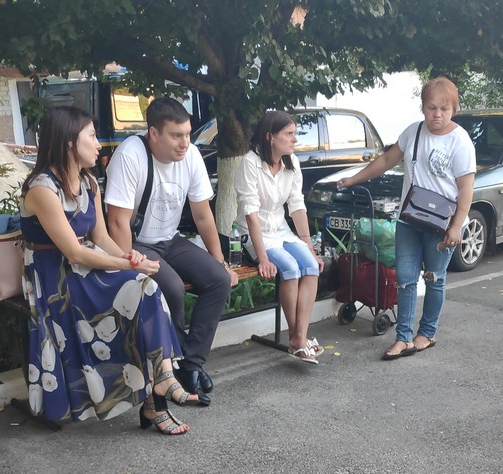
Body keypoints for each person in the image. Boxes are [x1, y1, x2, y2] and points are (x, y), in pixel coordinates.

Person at [19, 106, 198, 435]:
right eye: (91, 136)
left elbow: (101, 238)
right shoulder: (42, 189)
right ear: (70, 142)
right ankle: (159, 392)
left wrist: (132, 260)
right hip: (55, 278)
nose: (98, 143)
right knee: (140, 288)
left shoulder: (88, 182)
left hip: (85, 268)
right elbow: (74, 252)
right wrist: (128, 264)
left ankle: (160, 385)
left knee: (146, 286)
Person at [105, 97, 238, 404]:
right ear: (154, 133)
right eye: (176, 135)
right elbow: (117, 221)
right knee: (173, 289)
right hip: (137, 242)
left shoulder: (190, 155)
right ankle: (173, 364)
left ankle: (190, 364)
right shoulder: (130, 155)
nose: (185, 143)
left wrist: (220, 260)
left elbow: (203, 215)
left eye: (188, 134)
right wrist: (128, 267)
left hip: (171, 240)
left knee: (218, 280)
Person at [337, 76, 476, 360]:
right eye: (431, 108)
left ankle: (427, 333)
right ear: (423, 107)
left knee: (434, 278)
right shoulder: (413, 132)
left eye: (444, 109)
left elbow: (466, 188)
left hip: (441, 224)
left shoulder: (460, 140)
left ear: (454, 109)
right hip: (408, 220)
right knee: (405, 279)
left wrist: (456, 226)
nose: (437, 115)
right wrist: (353, 179)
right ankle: (403, 338)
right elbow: (386, 160)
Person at [234, 110, 325, 364]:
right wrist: (262, 258)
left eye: (294, 133)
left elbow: (297, 206)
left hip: (281, 230)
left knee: (310, 266)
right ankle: (298, 341)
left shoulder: (291, 162)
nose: (295, 139)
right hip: (254, 234)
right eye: (289, 134)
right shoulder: (250, 163)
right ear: (270, 137)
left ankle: (299, 337)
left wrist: (310, 247)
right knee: (290, 268)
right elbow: (250, 214)